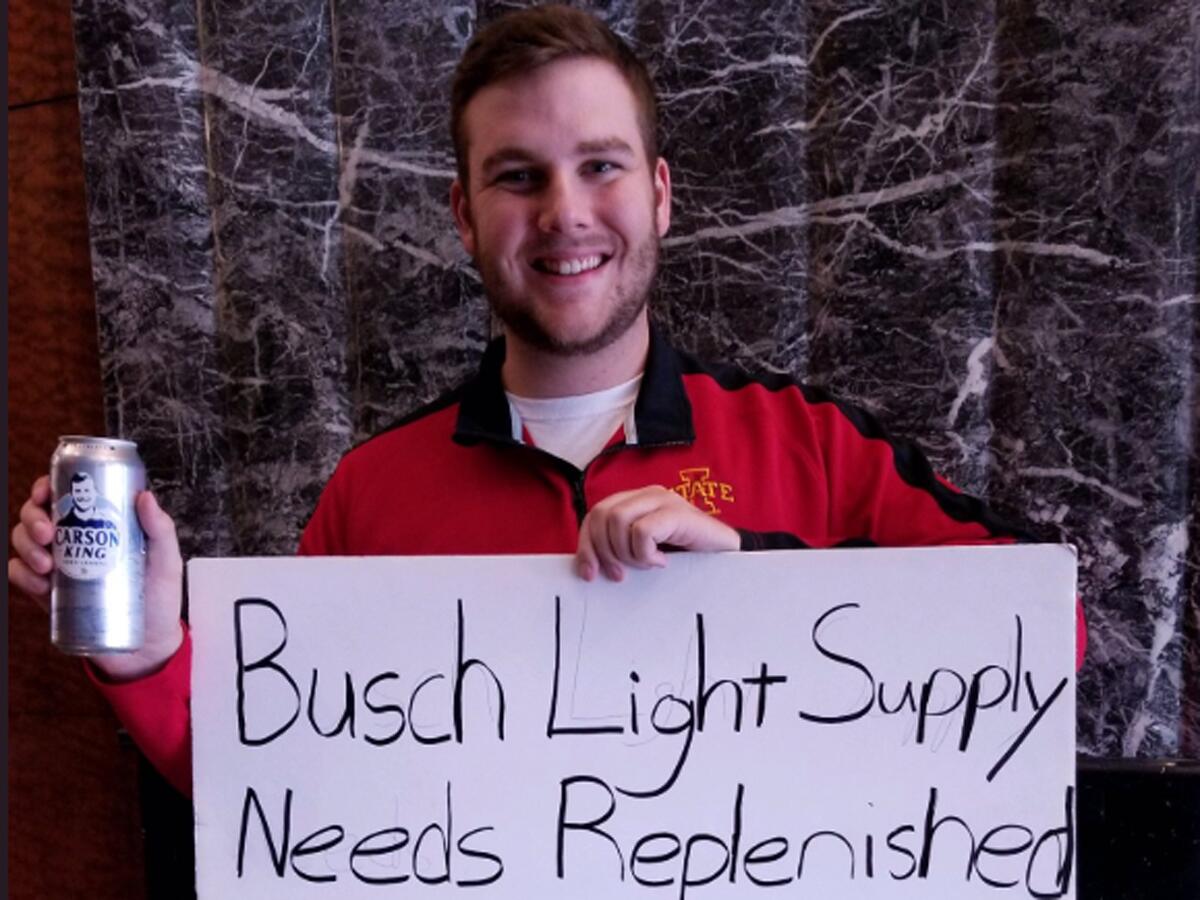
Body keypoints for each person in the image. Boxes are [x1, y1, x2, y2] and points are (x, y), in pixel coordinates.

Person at [9, 4, 1084, 798]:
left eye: (602, 166)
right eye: (518, 176)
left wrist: (761, 579)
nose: (565, 214)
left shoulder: (809, 444)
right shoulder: (372, 494)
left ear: (660, 194)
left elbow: (1056, 629)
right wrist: (148, 653)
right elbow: (291, 803)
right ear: (465, 216)